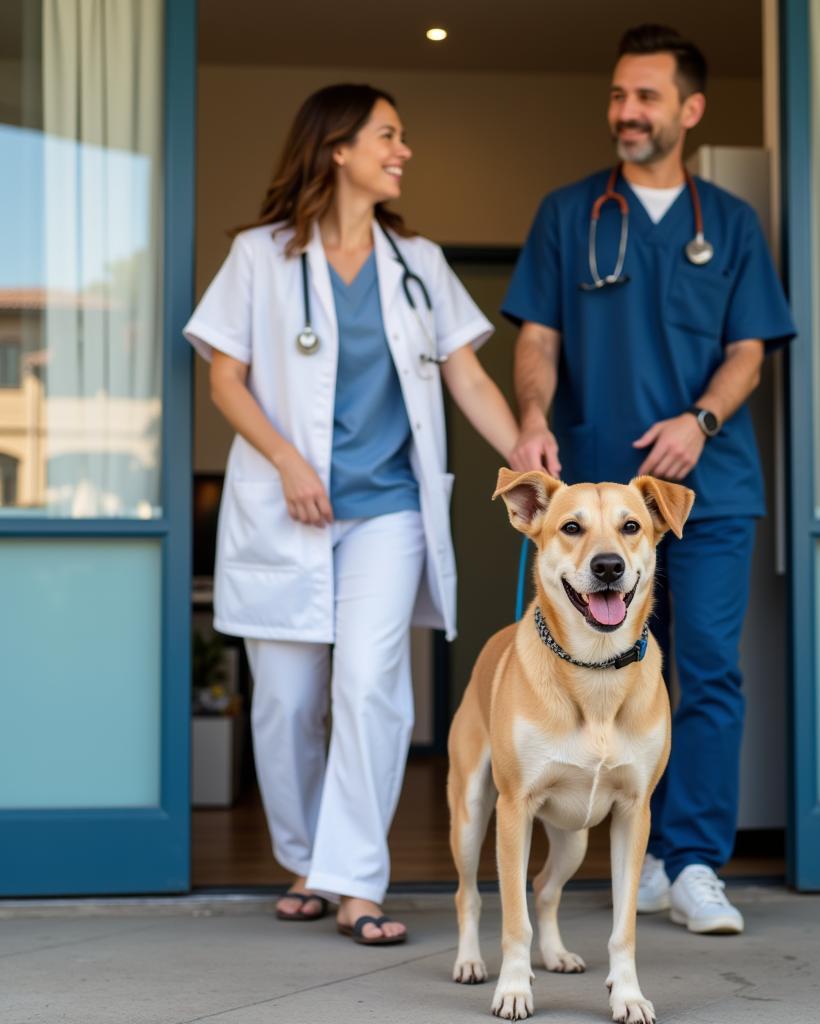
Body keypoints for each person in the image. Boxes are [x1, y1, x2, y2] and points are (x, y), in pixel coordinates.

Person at [184, 84, 519, 945]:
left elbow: (467, 376)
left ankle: (357, 882)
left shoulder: (420, 264)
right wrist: (289, 461)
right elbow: (224, 376)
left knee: (371, 687)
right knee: (287, 703)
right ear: (337, 148)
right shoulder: (260, 258)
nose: (403, 151)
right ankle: (305, 861)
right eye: (389, 136)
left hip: (389, 512)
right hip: (289, 508)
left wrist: (523, 451)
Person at [503, 25, 796, 935]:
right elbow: (538, 337)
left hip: (708, 489)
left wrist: (699, 423)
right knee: (579, 664)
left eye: (647, 98)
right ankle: (592, 839)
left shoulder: (731, 226)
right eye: (618, 96)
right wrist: (532, 419)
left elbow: (751, 351)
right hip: (594, 494)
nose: (626, 113)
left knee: (704, 668)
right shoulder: (569, 215)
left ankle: (691, 859)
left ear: (690, 110)